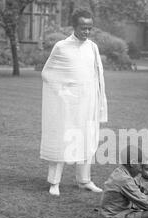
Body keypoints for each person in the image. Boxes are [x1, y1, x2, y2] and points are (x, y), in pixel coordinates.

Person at [40, 9, 108, 196]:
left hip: (88, 103)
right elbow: (48, 73)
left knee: (87, 139)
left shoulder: (92, 47)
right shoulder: (61, 47)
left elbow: (96, 76)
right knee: (63, 138)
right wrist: (63, 95)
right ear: (74, 26)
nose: (86, 32)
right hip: (67, 105)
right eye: (83, 28)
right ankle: (54, 182)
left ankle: (84, 180)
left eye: (89, 28)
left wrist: (97, 101)